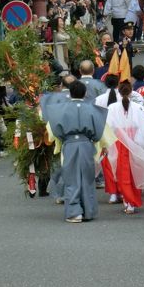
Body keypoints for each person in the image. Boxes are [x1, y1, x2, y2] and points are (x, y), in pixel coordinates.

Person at [44, 80, 108, 223]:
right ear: (85, 93)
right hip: (86, 144)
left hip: (70, 144)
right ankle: (87, 211)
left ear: (69, 92)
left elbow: (54, 130)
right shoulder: (92, 109)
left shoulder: (59, 110)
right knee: (87, 177)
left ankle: (74, 212)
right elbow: (98, 133)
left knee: (71, 178)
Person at [105, 63, 144, 215]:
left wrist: (107, 145)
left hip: (119, 145)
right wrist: (141, 144)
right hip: (135, 144)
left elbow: (108, 129)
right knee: (136, 173)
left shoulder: (112, 109)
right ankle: (133, 200)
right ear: (131, 92)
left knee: (123, 175)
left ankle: (128, 201)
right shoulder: (139, 108)